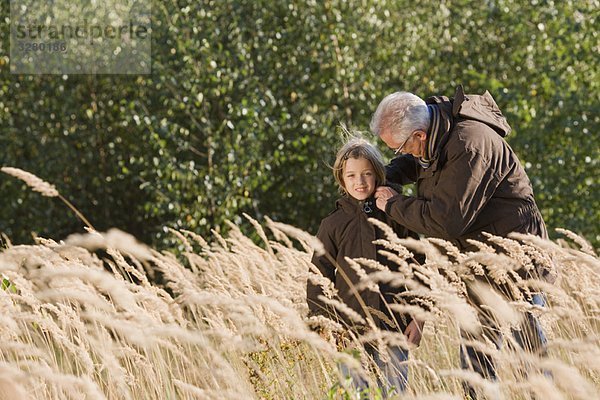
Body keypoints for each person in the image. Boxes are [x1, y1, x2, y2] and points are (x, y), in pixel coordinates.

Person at [370, 86, 552, 398]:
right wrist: (382, 176)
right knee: (475, 368)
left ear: (420, 135)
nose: (402, 154)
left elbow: (445, 220)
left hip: (518, 267)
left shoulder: (470, 145)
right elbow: (418, 164)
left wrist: (393, 204)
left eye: (399, 148)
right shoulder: (437, 133)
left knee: (530, 364)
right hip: (477, 269)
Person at [307, 136, 423, 396]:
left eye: (367, 174)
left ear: (378, 174)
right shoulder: (333, 225)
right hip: (349, 333)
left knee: (392, 393)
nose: (359, 182)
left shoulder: (396, 215)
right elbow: (318, 277)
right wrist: (326, 327)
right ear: (341, 179)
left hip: (394, 327)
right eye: (351, 176)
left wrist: (419, 317)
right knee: (355, 394)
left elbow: (417, 267)